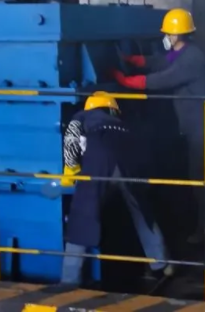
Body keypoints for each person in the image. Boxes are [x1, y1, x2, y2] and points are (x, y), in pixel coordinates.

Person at [111, 8, 205, 242]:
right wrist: (135, 60)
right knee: (198, 176)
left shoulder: (191, 57)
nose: (167, 37)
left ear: (178, 35)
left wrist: (127, 81)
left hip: (204, 125)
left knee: (203, 178)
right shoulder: (180, 52)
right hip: (194, 124)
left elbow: (163, 79)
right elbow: (161, 63)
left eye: (169, 33)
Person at [61, 93, 172, 284]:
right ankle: (162, 263)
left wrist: (70, 173)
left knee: (84, 214)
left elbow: (71, 141)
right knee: (141, 211)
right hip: (128, 160)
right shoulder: (122, 123)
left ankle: (69, 279)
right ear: (113, 109)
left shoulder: (81, 117)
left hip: (99, 160)